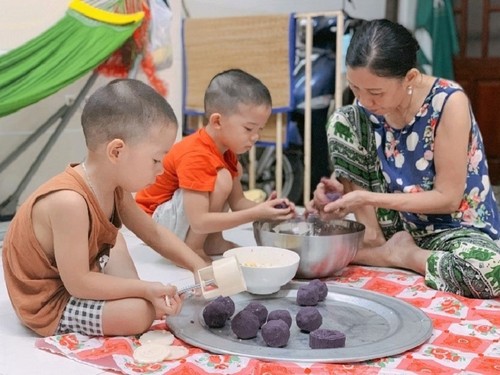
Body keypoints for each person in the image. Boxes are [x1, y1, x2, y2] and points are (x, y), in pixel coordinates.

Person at [308, 19, 500, 299]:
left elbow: (447, 198)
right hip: (392, 222)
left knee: (490, 270)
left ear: (409, 78)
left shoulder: (448, 102)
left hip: (450, 227)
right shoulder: (362, 109)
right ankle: (372, 238)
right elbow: (380, 175)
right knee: (342, 118)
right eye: (356, 89)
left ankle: (401, 255)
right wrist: (341, 193)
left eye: (375, 92)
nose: (364, 100)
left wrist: (368, 199)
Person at [2, 79, 209, 337]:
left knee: (117, 240)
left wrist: (199, 267)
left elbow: (153, 233)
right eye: (156, 159)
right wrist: (144, 289)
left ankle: (134, 297)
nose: (162, 169)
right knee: (139, 312)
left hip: (77, 275)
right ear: (117, 151)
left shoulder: (115, 188)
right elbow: (78, 283)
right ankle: (135, 300)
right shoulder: (70, 202)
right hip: (51, 300)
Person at [135, 69, 295, 261]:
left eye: (259, 129)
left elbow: (238, 203)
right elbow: (199, 221)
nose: (255, 137)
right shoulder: (196, 155)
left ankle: (211, 241)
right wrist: (255, 213)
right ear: (217, 121)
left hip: (179, 221)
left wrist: (268, 210)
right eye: (248, 128)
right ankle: (193, 249)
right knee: (222, 178)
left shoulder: (227, 153)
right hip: (154, 225)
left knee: (226, 175)